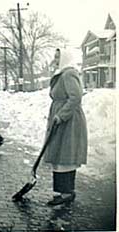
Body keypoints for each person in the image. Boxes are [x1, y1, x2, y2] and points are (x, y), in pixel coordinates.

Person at [43, 48, 88, 206]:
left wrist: (61, 115)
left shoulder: (69, 73)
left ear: (65, 58)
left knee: (65, 155)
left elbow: (75, 97)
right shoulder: (62, 73)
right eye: (55, 56)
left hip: (69, 121)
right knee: (59, 154)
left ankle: (67, 192)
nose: (55, 59)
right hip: (61, 119)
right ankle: (63, 191)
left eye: (57, 56)